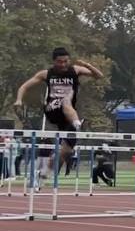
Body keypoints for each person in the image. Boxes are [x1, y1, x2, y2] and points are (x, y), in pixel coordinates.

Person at [12, 48, 104, 179]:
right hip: (53, 109)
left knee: (66, 151)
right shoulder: (46, 74)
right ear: (54, 61)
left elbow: (99, 76)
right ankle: (78, 125)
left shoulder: (75, 70)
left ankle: (46, 171)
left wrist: (87, 65)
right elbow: (24, 86)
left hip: (68, 115)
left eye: (65, 61)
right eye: (59, 62)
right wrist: (19, 100)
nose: (63, 65)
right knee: (65, 100)